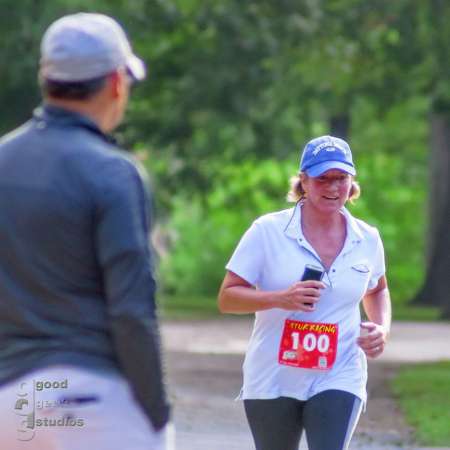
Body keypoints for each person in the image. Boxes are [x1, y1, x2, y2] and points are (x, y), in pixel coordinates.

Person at [0, 13, 170, 450]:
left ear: (45, 78)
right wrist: (156, 412)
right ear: (117, 82)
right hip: (93, 399)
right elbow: (132, 309)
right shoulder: (113, 173)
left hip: (13, 404)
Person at [218, 135, 392, 450]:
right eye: (323, 178)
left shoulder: (367, 238)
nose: (333, 187)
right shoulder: (267, 232)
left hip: (340, 370)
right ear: (304, 181)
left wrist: (381, 328)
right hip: (273, 374)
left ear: (352, 182)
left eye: (341, 178)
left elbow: (377, 288)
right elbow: (228, 297)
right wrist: (278, 298)